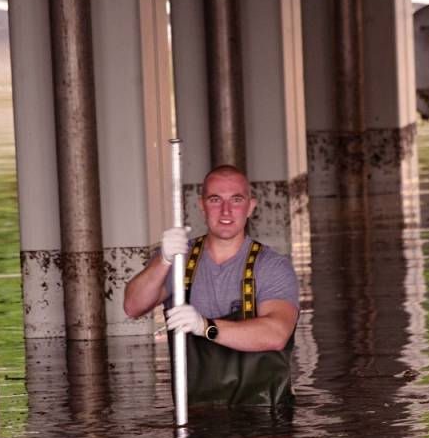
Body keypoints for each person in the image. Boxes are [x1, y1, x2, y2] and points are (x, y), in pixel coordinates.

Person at [123, 165, 299, 406]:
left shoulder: (272, 266)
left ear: (251, 206)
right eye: (215, 199)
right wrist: (162, 260)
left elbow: (276, 334)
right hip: (197, 416)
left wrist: (204, 326)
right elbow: (133, 306)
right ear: (201, 204)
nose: (226, 210)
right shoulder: (178, 260)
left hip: (264, 421)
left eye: (236, 200)